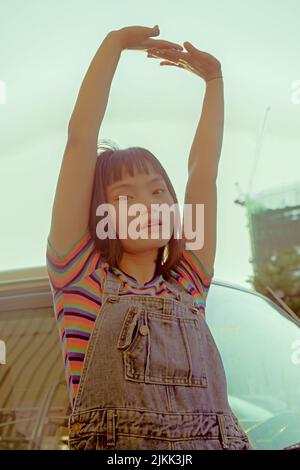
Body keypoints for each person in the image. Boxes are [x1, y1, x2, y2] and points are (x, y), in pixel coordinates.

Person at [46, 25, 252, 450]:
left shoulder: (188, 285)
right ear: (99, 214)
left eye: (159, 192)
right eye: (126, 196)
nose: (150, 205)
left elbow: (204, 171)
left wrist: (214, 82)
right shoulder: (80, 276)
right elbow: (79, 142)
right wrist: (114, 45)